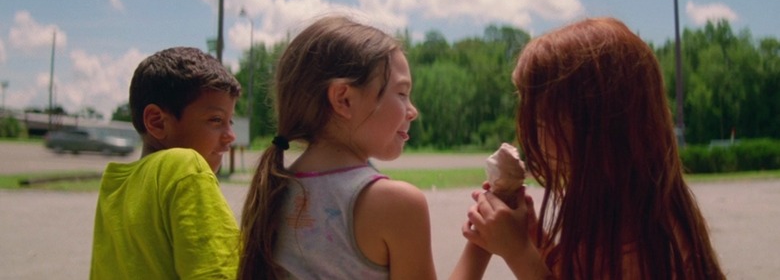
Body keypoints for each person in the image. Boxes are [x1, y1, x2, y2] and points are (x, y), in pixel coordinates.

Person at [460, 17, 726, 279]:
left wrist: (518, 252)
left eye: (541, 119)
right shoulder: (618, 212)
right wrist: (534, 238)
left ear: (593, 129)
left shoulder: (642, 245)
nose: (531, 135)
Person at [237, 15, 437, 280]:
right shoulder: (397, 205)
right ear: (343, 99)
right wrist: (478, 247)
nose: (412, 111)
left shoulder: (273, 190)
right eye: (401, 93)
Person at [90, 47, 241, 279]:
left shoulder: (115, 188)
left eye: (230, 121)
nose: (231, 135)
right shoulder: (186, 166)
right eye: (216, 120)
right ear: (157, 122)